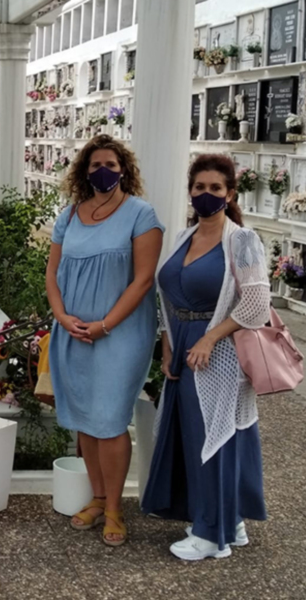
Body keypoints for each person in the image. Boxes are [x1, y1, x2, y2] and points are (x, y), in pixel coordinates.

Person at [142, 154, 268, 560]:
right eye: (199, 188)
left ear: (230, 194)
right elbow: (166, 296)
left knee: (211, 438)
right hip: (183, 348)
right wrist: (167, 344)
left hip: (219, 352)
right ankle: (228, 519)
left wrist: (211, 338)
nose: (206, 195)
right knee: (190, 433)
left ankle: (211, 535)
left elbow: (256, 304)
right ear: (191, 192)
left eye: (216, 189)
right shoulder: (183, 237)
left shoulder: (242, 241)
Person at [46, 134, 164, 547]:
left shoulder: (140, 214)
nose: (103, 171)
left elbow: (143, 279)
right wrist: (62, 317)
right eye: (95, 164)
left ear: (124, 169)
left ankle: (114, 507)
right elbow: (52, 274)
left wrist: (105, 325)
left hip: (120, 333)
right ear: (84, 171)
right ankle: (96, 498)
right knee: (85, 420)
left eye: (111, 164)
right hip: (74, 330)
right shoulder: (70, 215)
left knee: (110, 419)